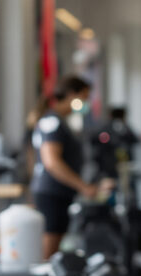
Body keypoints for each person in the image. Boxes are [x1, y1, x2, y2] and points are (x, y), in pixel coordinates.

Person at [29, 75, 98, 259]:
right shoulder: (52, 122)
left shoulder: (61, 122)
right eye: (83, 96)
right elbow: (52, 162)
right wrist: (83, 186)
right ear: (70, 95)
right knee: (48, 252)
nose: (85, 102)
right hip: (51, 194)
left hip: (60, 194)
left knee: (55, 249)